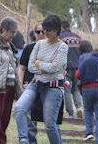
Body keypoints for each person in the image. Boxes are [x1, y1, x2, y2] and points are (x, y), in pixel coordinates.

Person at [14, 15, 68, 144]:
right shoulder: (39, 44)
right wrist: (45, 67)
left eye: (48, 30)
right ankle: (24, 139)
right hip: (35, 84)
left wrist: (40, 64)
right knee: (19, 109)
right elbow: (31, 67)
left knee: (50, 125)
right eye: (43, 30)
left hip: (53, 88)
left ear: (56, 30)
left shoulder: (62, 47)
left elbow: (55, 68)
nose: (45, 33)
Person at [17, 22, 46, 142]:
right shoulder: (29, 48)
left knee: (49, 120)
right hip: (29, 84)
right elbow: (22, 67)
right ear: (34, 33)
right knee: (28, 115)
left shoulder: (53, 48)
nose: (40, 34)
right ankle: (27, 140)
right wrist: (20, 83)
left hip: (47, 86)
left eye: (43, 31)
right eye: (37, 32)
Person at [60, 20, 83, 119]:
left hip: (67, 68)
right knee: (76, 89)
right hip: (78, 68)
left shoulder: (61, 37)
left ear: (61, 27)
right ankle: (79, 108)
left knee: (67, 90)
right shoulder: (78, 38)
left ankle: (70, 113)